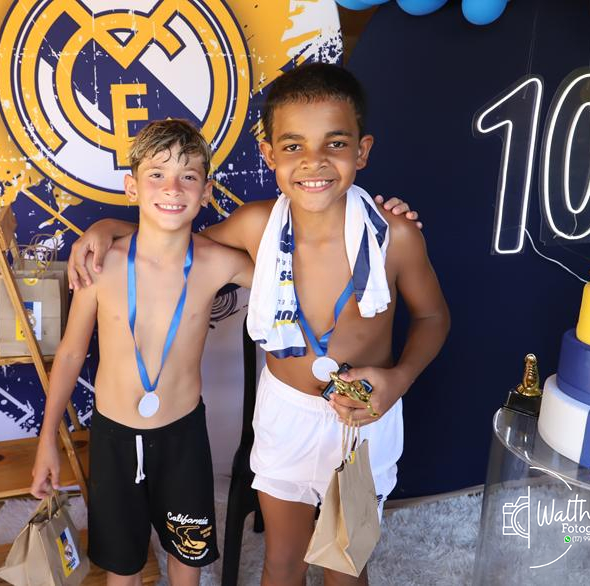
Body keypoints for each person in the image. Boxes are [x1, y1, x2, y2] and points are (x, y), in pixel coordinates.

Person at [67, 62, 450, 586]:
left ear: (361, 151)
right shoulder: (256, 224)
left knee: (347, 563)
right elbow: (174, 241)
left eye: (336, 144)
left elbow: (433, 316)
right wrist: (108, 225)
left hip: (366, 417)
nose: (314, 162)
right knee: (282, 561)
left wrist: (398, 380)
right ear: (269, 155)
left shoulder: (394, 236)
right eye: (293, 146)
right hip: (286, 416)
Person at [30, 119, 253, 586]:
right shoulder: (100, 263)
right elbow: (70, 354)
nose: (172, 188)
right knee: (123, 566)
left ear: (206, 191)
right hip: (113, 437)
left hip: (183, 438)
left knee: (188, 558)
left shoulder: (219, 263)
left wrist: (374, 222)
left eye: (188, 176)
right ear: (132, 187)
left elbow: (293, 274)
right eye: (157, 175)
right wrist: (47, 437)